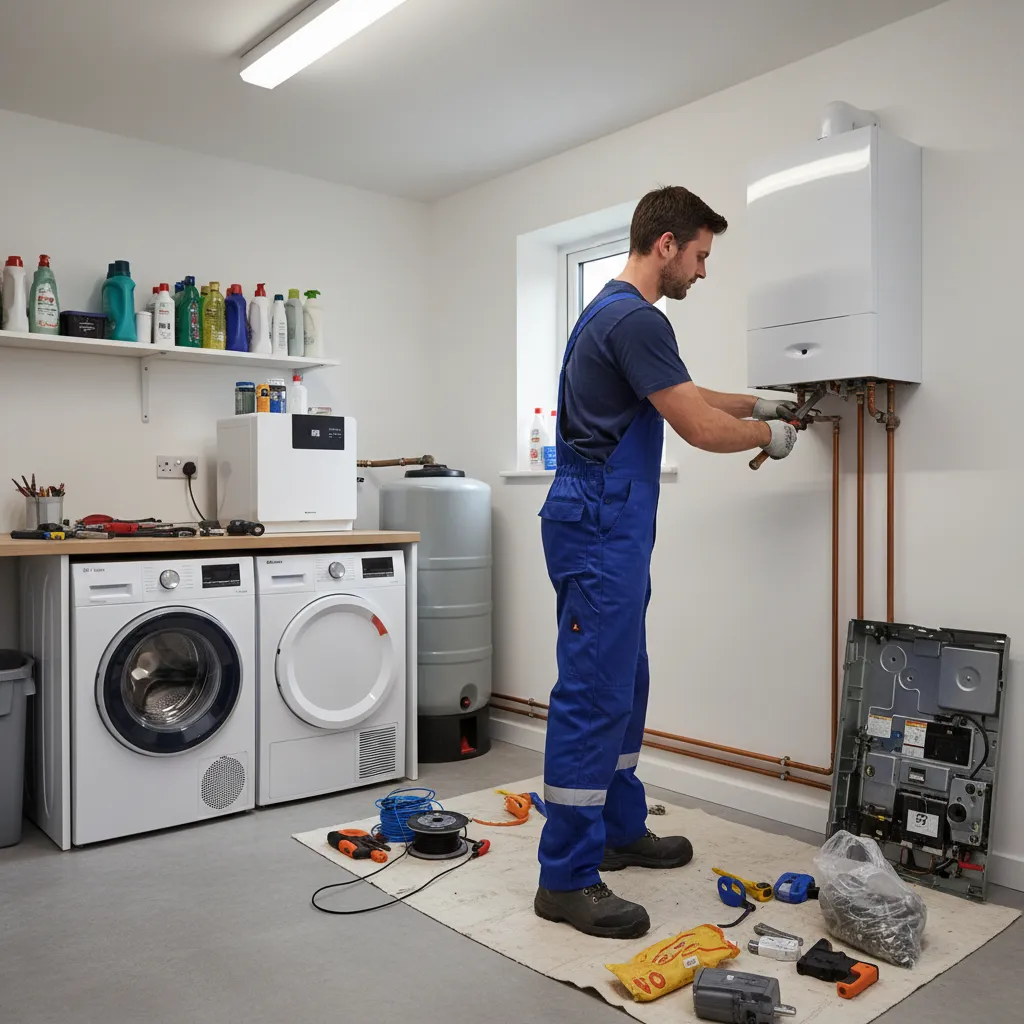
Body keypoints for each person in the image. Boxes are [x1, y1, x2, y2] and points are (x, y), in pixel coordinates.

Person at [533, 186, 800, 939]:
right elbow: (693, 425)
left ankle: (618, 832)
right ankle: (566, 878)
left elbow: (682, 394)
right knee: (592, 693)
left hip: (608, 525)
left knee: (624, 683)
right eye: (702, 255)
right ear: (666, 245)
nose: (704, 272)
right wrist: (764, 440)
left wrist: (759, 403)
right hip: (599, 525)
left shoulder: (611, 311)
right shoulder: (638, 317)